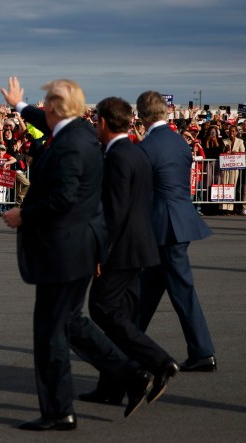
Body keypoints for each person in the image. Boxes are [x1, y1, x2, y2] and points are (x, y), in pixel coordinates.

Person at [0, 77, 149, 431]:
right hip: (78, 247)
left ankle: (59, 411)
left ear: (53, 108)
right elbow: (43, 120)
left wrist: (24, 214)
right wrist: (19, 106)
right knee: (69, 322)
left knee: (50, 333)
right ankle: (131, 373)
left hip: (64, 248)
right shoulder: (81, 131)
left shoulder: (70, 143)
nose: (43, 110)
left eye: (44, 104)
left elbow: (63, 197)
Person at [79, 97, 178, 409]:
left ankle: (159, 362)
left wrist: (100, 253)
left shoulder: (119, 157)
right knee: (121, 318)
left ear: (105, 122)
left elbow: (115, 212)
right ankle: (112, 386)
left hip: (122, 249)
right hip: (139, 246)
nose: (94, 126)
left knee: (102, 310)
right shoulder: (135, 152)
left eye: (96, 121)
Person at [134, 90, 216, 373]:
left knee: (181, 290)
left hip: (163, 223)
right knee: (148, 287)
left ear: (142, 116)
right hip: (179, 219)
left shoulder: (147, 147)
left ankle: (203, 351)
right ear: (165, 112)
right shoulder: (179, 143)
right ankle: (127, 341)